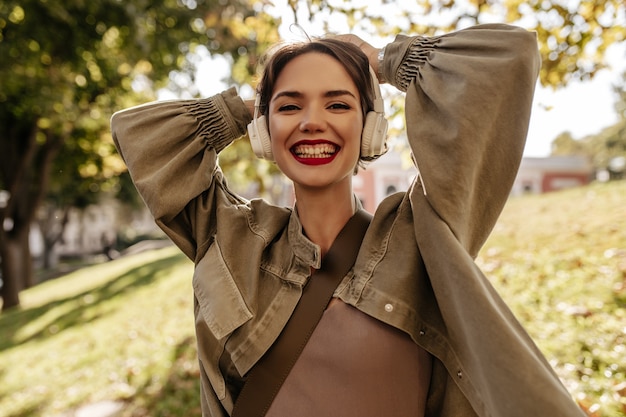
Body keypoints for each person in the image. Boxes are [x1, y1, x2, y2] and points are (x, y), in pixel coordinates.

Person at [111, 23, 587, 417]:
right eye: (289, 106)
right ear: (264, 132)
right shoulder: (233, 239)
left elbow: (509, 54)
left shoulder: (424, 232)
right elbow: (139, 134)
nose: (311, 121)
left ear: (371, 126)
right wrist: (241, 110)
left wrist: (382, 61)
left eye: (338, 104)